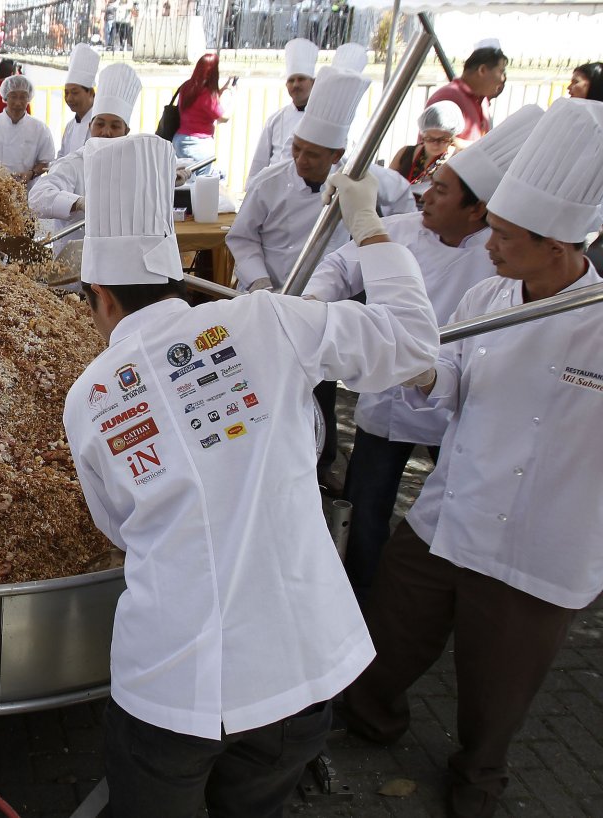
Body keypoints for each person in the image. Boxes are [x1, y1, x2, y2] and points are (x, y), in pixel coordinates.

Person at [63, 133, 438, 818]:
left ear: (100, 297)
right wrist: (370, 230)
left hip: (170, 682)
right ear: (177, 277)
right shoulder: (268, 321)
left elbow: (116, 525)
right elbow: (412, 341)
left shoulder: (89, 397)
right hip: (295, 668)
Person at [342, 97, 603, 818]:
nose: (490, 244)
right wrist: (420, 368)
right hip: (449, 518)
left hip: (536, 551)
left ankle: (478, 776)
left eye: (508, 236)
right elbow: (448, 378)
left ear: (560, 248)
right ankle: (368, 716)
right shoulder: (492, 292)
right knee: (388, 634)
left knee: (498, 689)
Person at [306, 104, 543, 603]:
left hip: (458, 402)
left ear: (478, 210)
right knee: (367, 505)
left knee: (456, 498)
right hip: (391, 399)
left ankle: (444, 591)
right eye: (430, 182)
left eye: (440, 189)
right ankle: (365, 599)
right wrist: (310, 306)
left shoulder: (503, 260)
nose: (425, 194)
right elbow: (340, 267)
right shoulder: (405, 229)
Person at [229, 66, 369, 292]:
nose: (300, 159)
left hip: (325, 296)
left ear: (336, 155)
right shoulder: (268, 183)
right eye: (296, 148)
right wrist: (258, 280)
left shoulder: (353, 185)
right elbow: (241, 237)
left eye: (312, 154)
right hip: (269, 292)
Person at [29, 63, 142, 252]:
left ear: (126, 131)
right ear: (90, 126)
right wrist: (78, 203)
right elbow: (37, 198)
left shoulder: (134, 162)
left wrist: (173, 175)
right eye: (100, 124)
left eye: (115, 126)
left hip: (119, 258)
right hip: (74, 266)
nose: (106, 132)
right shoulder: (74, 163)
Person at [247, 38, 318, 180]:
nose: (295, 85)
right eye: (291, 80)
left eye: (301, 79)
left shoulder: (323, 119)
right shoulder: (275, 119)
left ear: (313, 82)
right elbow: (260, 162)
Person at [0, 73, 55, 190]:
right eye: (13, 96)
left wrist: (31, 174)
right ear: (5, 97)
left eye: (23, 97)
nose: (18, 103)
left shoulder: (40, 129)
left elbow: (45, 162)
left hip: (28, 193)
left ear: (29, 98)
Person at [426, 45, 508, 143]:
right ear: (482, 70)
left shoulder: (483, 101)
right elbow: (433, 145)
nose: (503, 79)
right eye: (501, 72)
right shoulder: (447, 98)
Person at [389, 101, 463, 205]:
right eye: (430, 139)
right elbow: (387, 184)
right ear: (423, 135)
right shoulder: (405, 152)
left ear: (451, 138)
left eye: (443, 140)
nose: (435, 144)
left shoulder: (455, 158)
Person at [171, 52, 231, 178]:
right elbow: (224, 116)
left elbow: (202, 106)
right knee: (198, 187)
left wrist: (222, 90)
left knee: (180, 184)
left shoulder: (187, 86)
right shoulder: (206, 95)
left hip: (179, 140)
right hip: (198, 145)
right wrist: (231, 94)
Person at [59, 43, 99, 159]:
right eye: (66, 93)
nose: (69, 98)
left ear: (90, 93)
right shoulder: (70, 126)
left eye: (75, 92)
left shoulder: (100, 125)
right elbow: (62, 155)